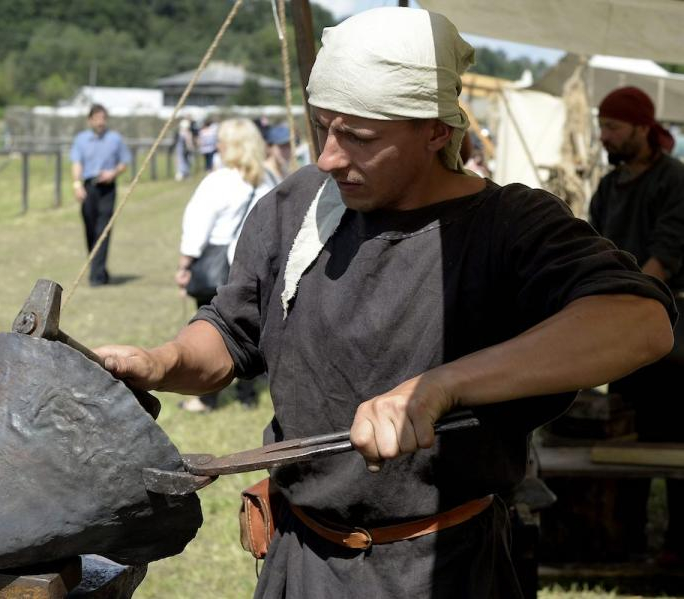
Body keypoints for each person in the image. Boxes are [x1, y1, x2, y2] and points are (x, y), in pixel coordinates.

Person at [96, 9, 675, 597]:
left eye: (360, 138)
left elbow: (639, 322)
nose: (328, 157)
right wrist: (161, 362)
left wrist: (441, 386)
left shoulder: (511, 226)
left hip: (445, 567)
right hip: (300, 561)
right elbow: (230, 333)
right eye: (324, 128)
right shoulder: (297, 205)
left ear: (435, 131)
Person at [589, 85, 684, 567]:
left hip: (672, 337)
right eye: (602, 126)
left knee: (669, 439)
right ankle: (621, 542)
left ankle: (675, 548)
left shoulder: (675, 180)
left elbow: (665, 254)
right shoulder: (609, 187)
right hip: (622, 333)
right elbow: (593, 248)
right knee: (623, 440)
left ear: (643, 128)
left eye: (613, 127)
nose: (605, 136)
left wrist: (631, 301)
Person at [174, 118, 272, 413]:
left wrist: (184, 264)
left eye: (221, 140)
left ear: (230, 146)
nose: (216, 144)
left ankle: (207, 397)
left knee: (212, 332)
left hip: (218, 268)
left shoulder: (218, 181)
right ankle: (248, 394)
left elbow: (197, 227)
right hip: (257, 267)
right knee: (253, 330)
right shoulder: (268, 179)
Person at [70, 104, 131, 287]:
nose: (100, 122)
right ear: (90, 120)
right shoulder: (81, 140)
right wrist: (77, 184)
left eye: (103, 118)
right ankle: (99, 269)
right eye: (96, 118)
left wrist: (113, 173)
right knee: (90, 230)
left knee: (103, 230)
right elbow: (76, 162)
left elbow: (124, 162)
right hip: (89, 187)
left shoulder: (115, 139)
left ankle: (95, 276)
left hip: (107, 188)